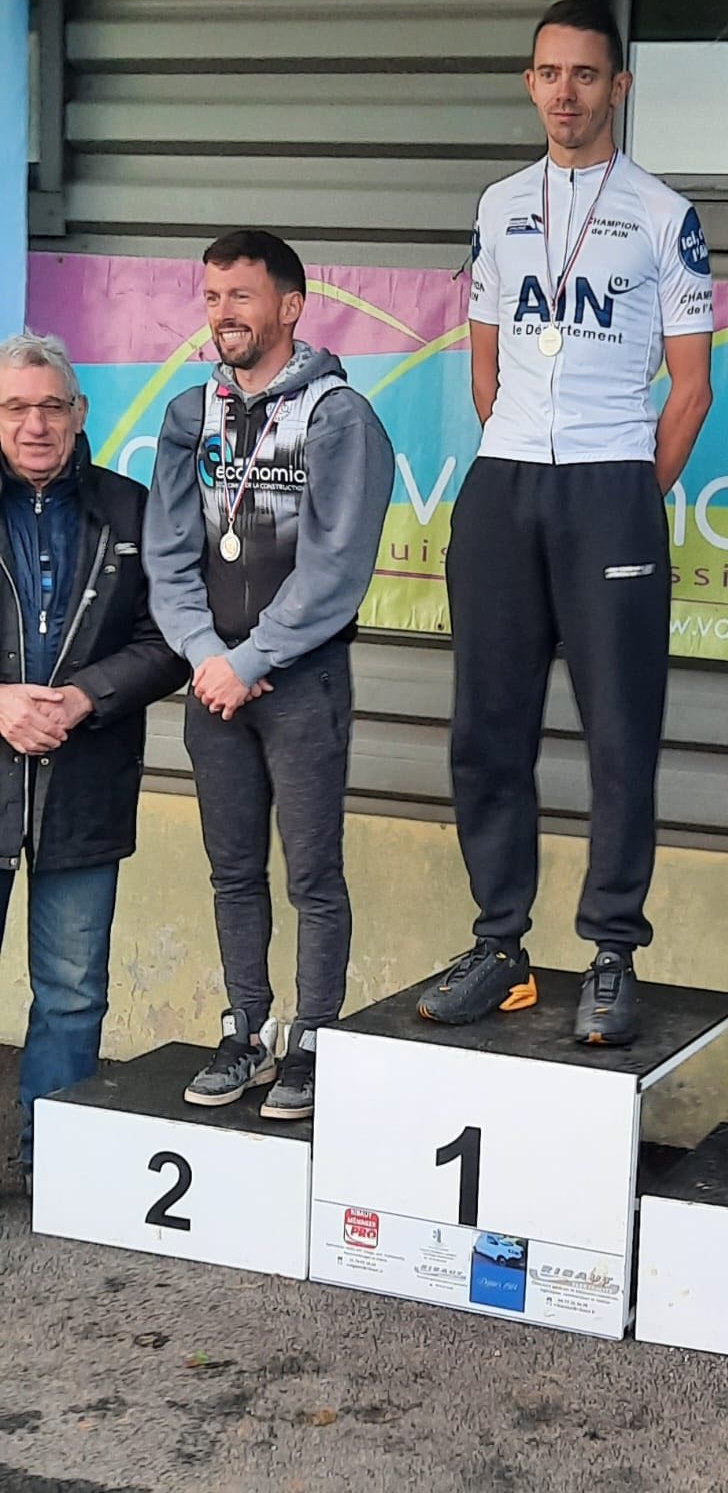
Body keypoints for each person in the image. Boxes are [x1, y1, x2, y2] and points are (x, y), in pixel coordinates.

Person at [417, 0, 713, 1046]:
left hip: (609, 486)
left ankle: (612, 952)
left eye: (586, 75)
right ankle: (501, 942)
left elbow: (689, 389)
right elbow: (484, 351)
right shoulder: (498, 204)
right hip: (505, 487)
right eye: (549, 73)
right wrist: (517, 450)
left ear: (618, 87)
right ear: (530, 81)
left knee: (620, 735)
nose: (565, 93)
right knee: (485, 730)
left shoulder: (665, 213)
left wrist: (633, 490)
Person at [144, 230, 394, 1119]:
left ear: (290, 306)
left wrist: (251, 659)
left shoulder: (337, 416)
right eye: (212, 299)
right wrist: (207, 657)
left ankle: (311, 1038)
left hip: (301, 684)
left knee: (312, 874)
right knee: (231, 870)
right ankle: (244, 1028)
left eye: (241, 298)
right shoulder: (190, 415)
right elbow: (169, 556)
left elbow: (336, 568)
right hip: (213, 685)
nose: (224, 317)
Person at [0, 333, 186, 1188]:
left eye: (50, 406)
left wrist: (83, 698)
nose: (33, 424)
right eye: (14, 407)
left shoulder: (134, 511)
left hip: (85, 784)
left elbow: (173, 642)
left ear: (80, 415)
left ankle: (57, 1171)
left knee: (73, 988)